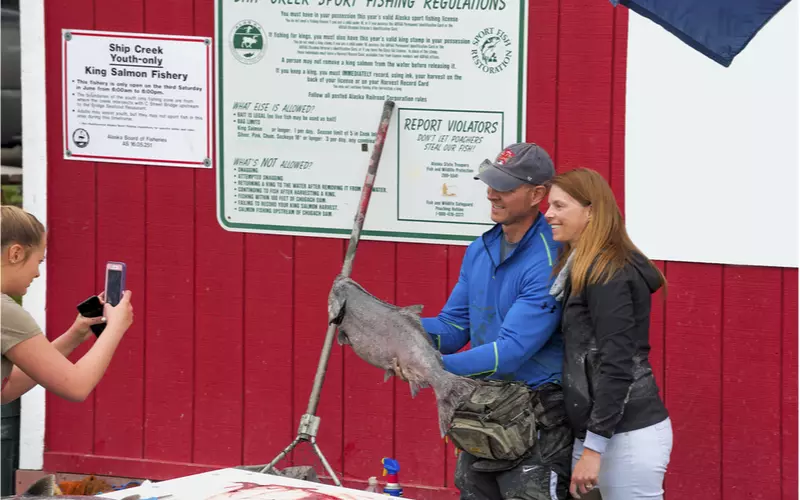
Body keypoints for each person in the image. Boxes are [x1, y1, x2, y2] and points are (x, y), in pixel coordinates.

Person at [397, 143, 574, 500]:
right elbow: (452, 328)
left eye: (505, 188)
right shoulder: (480, 249)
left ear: (537, 193)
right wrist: (397, 330)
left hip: (537, 418)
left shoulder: (547, 259)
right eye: (490, 183)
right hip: (483, 410)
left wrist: (429, 365)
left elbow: (509, 352)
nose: (491, 193)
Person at [544, 168, 672, 500]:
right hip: (597, 435)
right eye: (550, 205)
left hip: (625, 436)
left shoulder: (608, 273)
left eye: (559, 206)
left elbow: (618, 363)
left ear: (591, 211)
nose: (549, 214)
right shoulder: (580, 267)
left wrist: (593, 449)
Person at [1, 205, 134, 404]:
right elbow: (76, 386)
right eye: (39, 260)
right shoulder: (6, 313)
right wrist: (115, 327)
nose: (37, 273)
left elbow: (6, 389)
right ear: (16, 254)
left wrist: (75, 335)